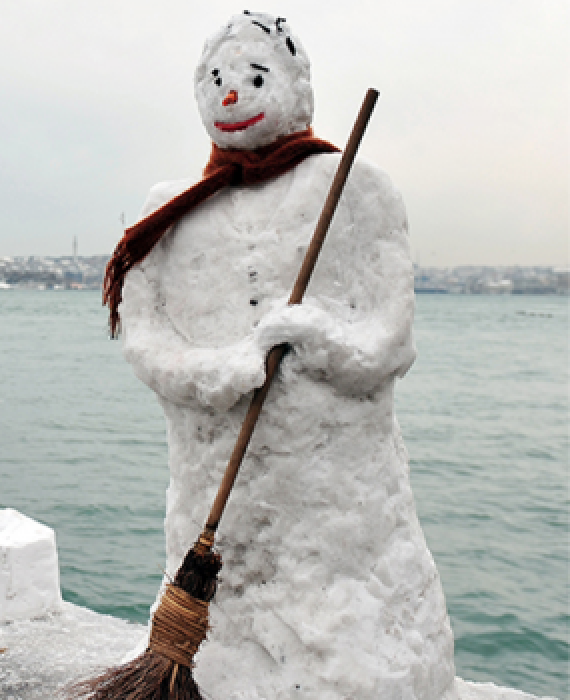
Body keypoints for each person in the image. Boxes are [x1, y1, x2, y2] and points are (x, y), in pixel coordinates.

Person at [108, 12, 457, 698]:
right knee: (225, 608)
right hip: (210, 482)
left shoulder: (354, 187)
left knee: (341, 628)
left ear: (295, 86)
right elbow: (143, 339)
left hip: (335, 499)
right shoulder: (169, 213)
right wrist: (219, 370)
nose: (230, 95)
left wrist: (321, 339)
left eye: (254, 76)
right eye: (214, 80)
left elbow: (391, 339)